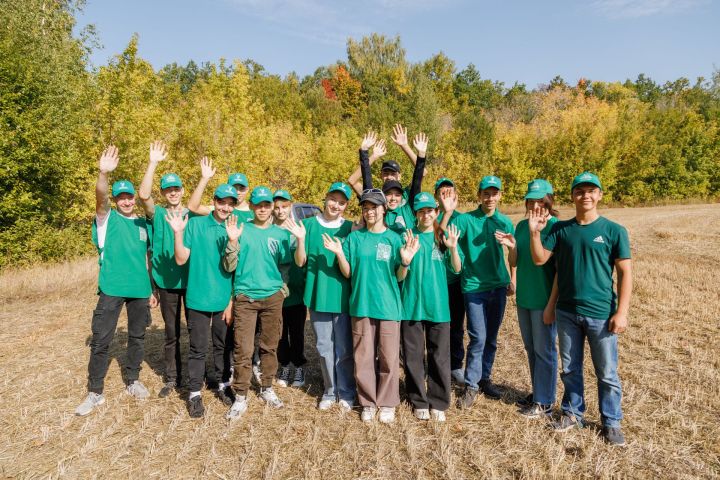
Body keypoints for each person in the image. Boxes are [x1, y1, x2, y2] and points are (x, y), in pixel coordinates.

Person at [529, 171, 632, 447]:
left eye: (590, 191)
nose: (585, 195)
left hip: (601, 314)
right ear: (573, 196)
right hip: (567, 312)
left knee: (607, 372)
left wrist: (621, 311)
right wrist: (535, 233)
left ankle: (611, 422)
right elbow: (540, 260)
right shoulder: (561, 230)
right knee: (570, 368)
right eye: (580, 191)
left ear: (599, 195)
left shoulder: (614, 231)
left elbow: (625, 274)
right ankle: (574, 413)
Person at [323, 189, 418, 424]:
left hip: (388, 307)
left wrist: (405, 262)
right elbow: (348, 273)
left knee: (388, 357)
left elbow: (399, 276)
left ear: (384, 209)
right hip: (361, 305)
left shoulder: (394, 238)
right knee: (363, 357)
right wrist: (339, 254)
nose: (369, 211)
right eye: (365, 208)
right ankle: (367, 402)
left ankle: (387, 402)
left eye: (374, 207)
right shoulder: (355, 238)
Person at [75, 145, 157, 416]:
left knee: (137, 337)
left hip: (139, 291)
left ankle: (132, 380)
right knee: (101, 340)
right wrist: (103, 173)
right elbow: (99, 197)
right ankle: (95, 391)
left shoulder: (144, 224)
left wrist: (152, 289)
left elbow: (147, 260)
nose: (126, 201)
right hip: (111, 289)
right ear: (115, 199)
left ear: (134, 198)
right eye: (120, 197)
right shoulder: (106, 219)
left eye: (129, 197)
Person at [166, 182, 237, 418]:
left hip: (222, 300)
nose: (225, 207)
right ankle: (195, 393)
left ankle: (223, 385)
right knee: (197, 349)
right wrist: (178, 233)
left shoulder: (235, 228)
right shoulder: (195, 224)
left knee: (223, 347)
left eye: (230, 203)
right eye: (221, 202)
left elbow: (235, 269)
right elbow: (180, 258)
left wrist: (230, 302)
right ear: (214, 201)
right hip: (197, 299)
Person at [285, 182, 356, 412]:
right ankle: (329, 390)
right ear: (325, 198)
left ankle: (346, 391)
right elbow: (300, 262)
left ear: (346, 206)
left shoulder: (350, 229)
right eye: (333, 199)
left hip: (343, 297)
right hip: (318, 296)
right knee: (325, 347)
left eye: (342, 202)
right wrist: (301, 240)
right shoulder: (307, 225)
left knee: (344, 348)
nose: (336, 205)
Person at [224, 186, 293, 420]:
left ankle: (266, 387)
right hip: (246, 297)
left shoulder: (281, 234)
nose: (263, 209)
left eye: (267, 205)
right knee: (243, 349)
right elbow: (229, 266)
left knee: (269, 346)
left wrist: (282, 289)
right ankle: (241, 396)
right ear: (252, 207)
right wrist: (232, 241)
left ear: (272, 207)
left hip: (272, 298)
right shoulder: (242, 230)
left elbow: (285, 265)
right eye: (259, 205)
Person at [495, 179, 559, 418]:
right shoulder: (521, 226)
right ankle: (538, 393)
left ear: (549, 200)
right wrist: (511, 247)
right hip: (525, 298)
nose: (535, 205)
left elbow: (553, 268)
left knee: (545, 351)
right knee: (532, 349)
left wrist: (552, 305)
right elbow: (515, 262)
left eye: (540, 200)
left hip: (544, 300)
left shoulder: (555, 228)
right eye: (531, 200)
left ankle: (545, 402)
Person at [450, 175, 516, 408]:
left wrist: (512, 279)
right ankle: (471, 384)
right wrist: (448, 211)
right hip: (474, 287)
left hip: (498, 286)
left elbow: (512, 255)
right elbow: (448, 238)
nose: (490, 197)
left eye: (494, 193)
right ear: (479, 195)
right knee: (477, 337)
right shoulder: (466, 220)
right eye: (485, 193)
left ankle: (485, 378)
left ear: (500, 195)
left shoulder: (505, 222)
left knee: (492, 338)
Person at [137, 141, 196, 398]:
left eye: (176, 189)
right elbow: (143, 196)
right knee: (171, 333)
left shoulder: (192, 213)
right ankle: (173, 378)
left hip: (192, 281)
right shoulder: (157, 213)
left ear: (183, 191)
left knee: (196, 331)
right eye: (168, 190)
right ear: (163, 193)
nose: (172, 193)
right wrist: (153, 163)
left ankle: (197, 375)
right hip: (166, 282)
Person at [400, 191, 462, 422]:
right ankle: (418, 400)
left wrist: (453, 248)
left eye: (430, 210)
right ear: (415, 213)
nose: (426, 215)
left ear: (436, 212)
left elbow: (456, 269)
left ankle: (439, 400)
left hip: (438, 307)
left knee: (439, 356)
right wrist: (405, 260)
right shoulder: (407, 236)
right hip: (411, 306)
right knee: (413, 357)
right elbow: (399, 273)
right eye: (421, 211)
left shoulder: (443, 237)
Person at [355, 128, 427, 234]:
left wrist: (421, 154)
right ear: (383, 196)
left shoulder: (408, 207)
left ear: (402, 196)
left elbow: (417, 178)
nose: (393, 198)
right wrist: (364, 151)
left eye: (397, 194)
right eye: (388, 194)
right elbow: (367, 181)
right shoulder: (378, 210)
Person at [271, 189, 308, 389]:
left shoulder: (298, 229)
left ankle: (299, 366)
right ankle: (284, 365)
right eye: (276, 207)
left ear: (290, 206)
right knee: (279, 333)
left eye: (284, 206)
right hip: (276, 293)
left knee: (297, 333)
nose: (280, 211)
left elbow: (302, 261)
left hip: (297, 292)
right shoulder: (269, 229)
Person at [435, 178, 467, 386]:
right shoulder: (430, 214)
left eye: (450, 190)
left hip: (455, 280)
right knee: (437, 325)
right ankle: (436, 364)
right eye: (442, 190)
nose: (446, 193)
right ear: (436, 194)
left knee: (456, 325)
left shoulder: (462, 219)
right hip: (435, 281)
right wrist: (445, 213)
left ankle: (455, 365)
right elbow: (437, 241)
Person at [187, 157, 253, 223]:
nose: (238, 192)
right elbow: (192, 206)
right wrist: (205, 178)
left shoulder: (256, 212)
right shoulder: (220, 209)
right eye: (234, 188)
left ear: (247, 189)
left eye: (242, 188)